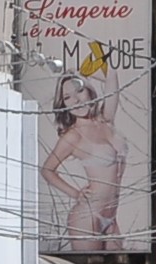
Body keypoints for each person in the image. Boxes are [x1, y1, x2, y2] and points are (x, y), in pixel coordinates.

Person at [39, 75, 128, 252]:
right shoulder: (73, 136)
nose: (76, 100)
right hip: (87, 218)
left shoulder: (105, 120)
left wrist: (86, 72)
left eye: (80, 90)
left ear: (89, 91)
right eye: (67, 97)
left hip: (111, 217)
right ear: (63, 104)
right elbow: (47, 170)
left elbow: (112, 77)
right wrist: (75, 193)